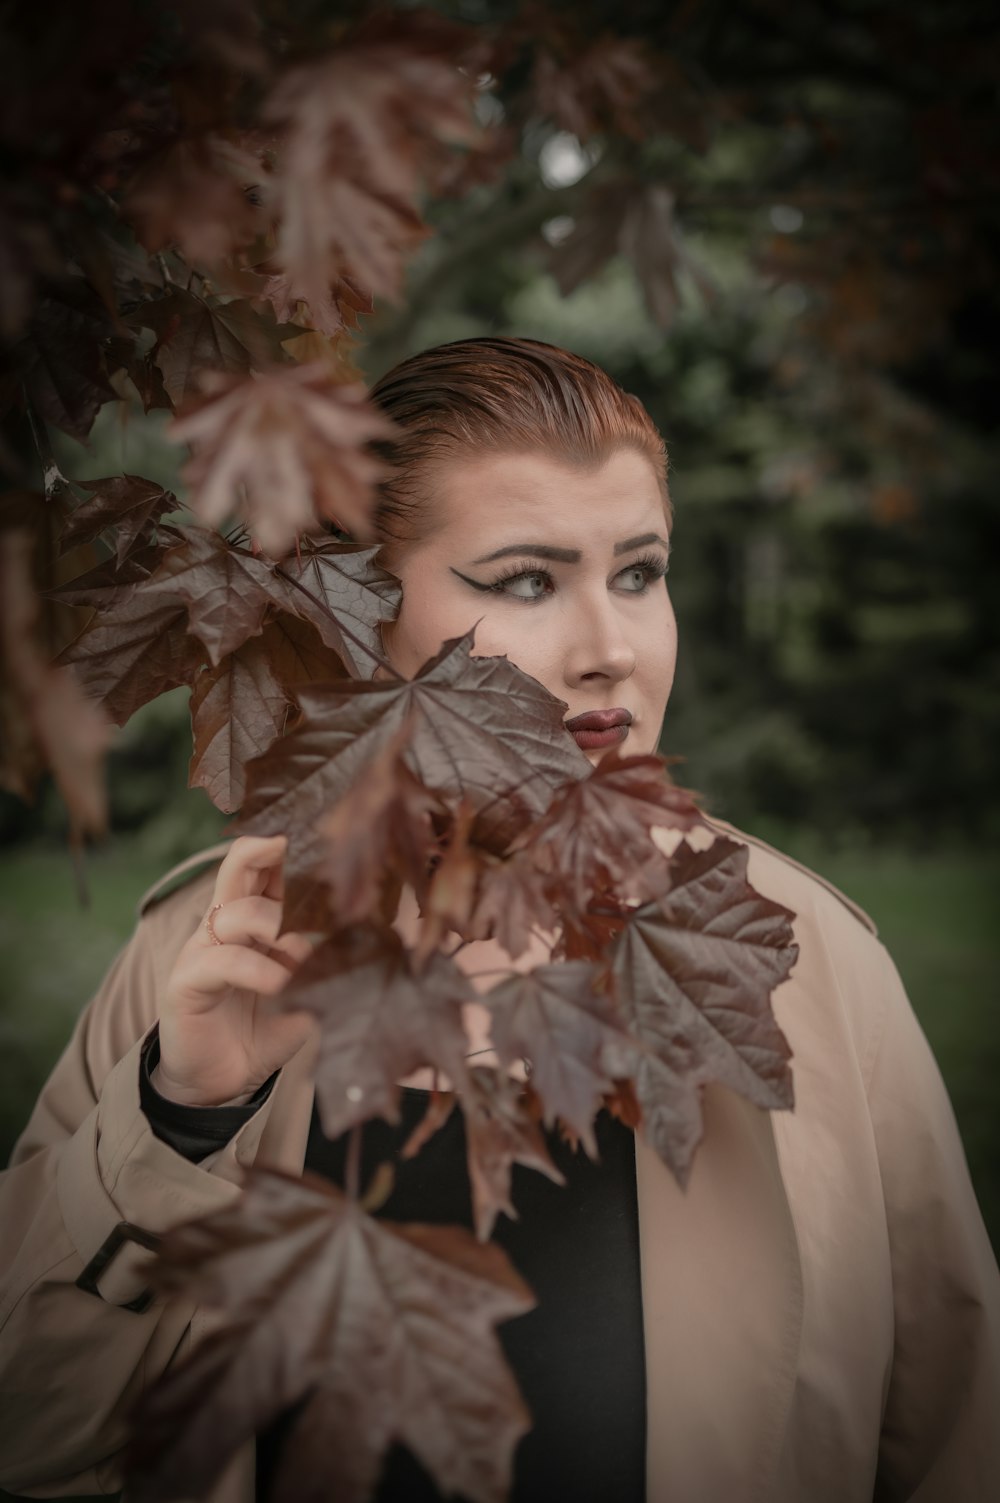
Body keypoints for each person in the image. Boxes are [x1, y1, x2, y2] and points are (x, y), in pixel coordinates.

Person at [1, 337, 998, 1503]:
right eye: (525, 579)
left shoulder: (806, 963)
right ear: (357, 618)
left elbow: (958, 1444)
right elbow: (31, 1436)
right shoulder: (208, 955)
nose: (609, 650)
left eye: (638, 572)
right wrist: (179, 1120)